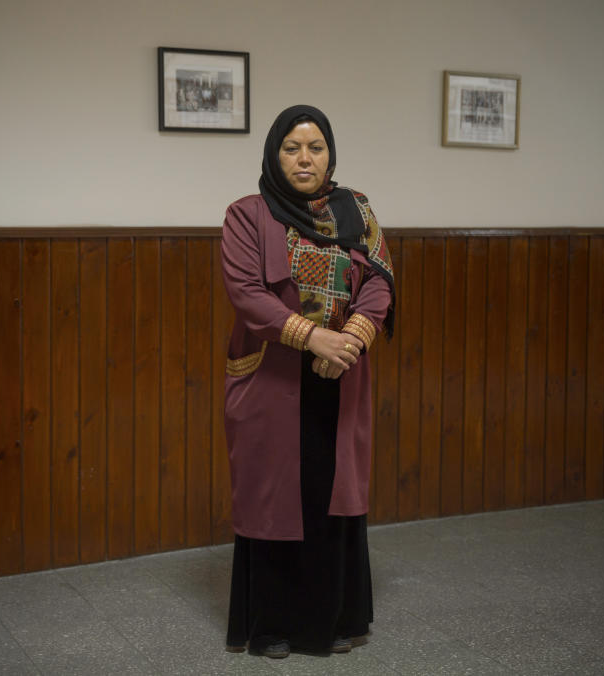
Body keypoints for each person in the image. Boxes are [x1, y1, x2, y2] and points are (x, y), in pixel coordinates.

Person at [220, 104, 395, 658]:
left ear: (330, 155)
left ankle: (337, 619)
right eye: (291, 148)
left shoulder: (358, 211)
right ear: (274, 154)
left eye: (315, 147)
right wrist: (311, 337)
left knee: (334, 494)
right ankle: (272, 627)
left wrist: (349, 340)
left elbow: (380, 281)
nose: (304, 158)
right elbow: (247, 293)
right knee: (273, 496)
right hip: (273, 377)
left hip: (341, 372)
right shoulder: (247, 215)